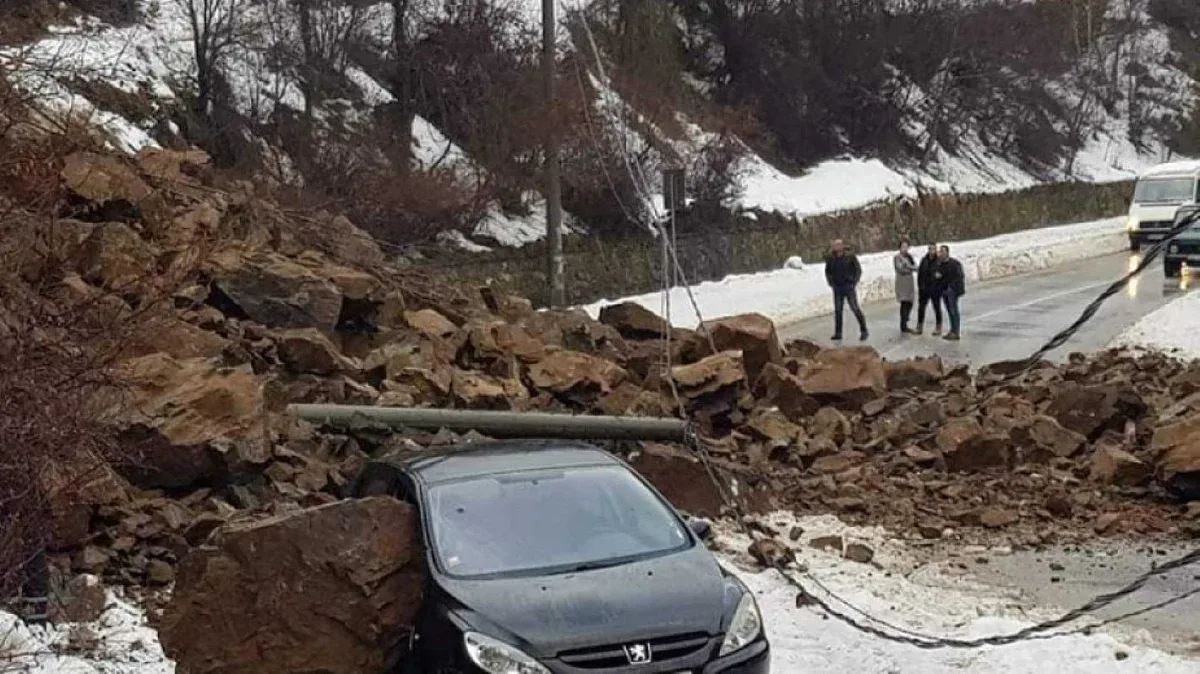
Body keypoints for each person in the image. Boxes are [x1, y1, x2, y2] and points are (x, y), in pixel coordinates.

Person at [824, 238, 868, 341]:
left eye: (840, 244)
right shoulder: (831, 258)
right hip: (837, 288)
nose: (838, 247)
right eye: (836, 245)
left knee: (855, 308)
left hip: (849, 287)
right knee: (838, 311)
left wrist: (854, 281)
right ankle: (838, 333)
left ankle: (864, 330)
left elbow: (858, 269)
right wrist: (831, 282)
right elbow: (828, 271)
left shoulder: (850, 256)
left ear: (843, 246)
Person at [934, 245, 965, 341]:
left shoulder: (954, 264)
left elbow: (960, 276)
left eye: (943, 251)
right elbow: (938, 275)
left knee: (953, 310)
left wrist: (952, 287)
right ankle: (952, 330)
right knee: (949, 311)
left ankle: (956, 332)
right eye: (940, 251)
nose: (941, 253)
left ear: (947, 252)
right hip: (944, 291)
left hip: (953, 291)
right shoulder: (940, 265)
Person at [914, 243, 942, 335]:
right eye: (930, 249)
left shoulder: (939, 261)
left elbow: (942, 273)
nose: (932, 251)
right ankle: (919, 326)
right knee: (921, 308)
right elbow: (920, 274)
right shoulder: (924, 260)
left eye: (933, 249)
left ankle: (938, 327)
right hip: (924, 288)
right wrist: (920, 286)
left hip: (935, 289)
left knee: (937, 308)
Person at [893, 239, 917, 333]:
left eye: (906, 247)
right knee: (904, 303)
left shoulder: (909, 257)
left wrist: (908, 266)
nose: (905, 249)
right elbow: (900, 268)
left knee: (910, 302)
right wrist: (908, 268)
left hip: (909, 282)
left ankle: (906, 318)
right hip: (901, 282)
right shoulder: (897, 257)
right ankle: (903, 325)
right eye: (903, 247)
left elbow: (915, 267)